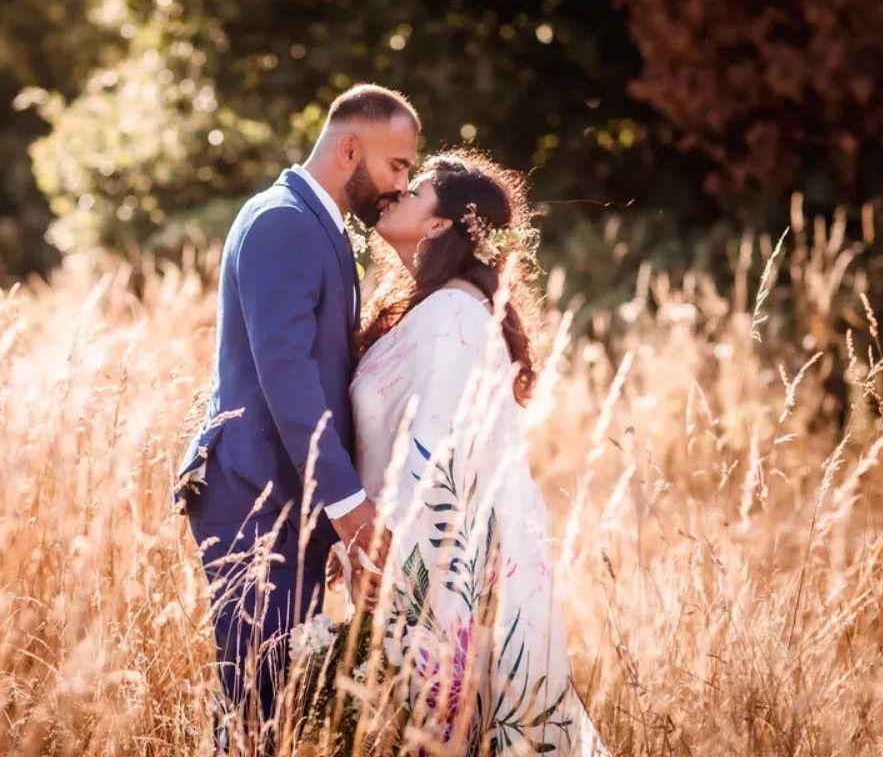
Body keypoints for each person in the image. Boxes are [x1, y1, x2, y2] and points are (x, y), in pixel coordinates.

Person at [340, 150, 609, 754]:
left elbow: (438, 470)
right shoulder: (434, 306)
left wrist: (381, 554)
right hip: (413, 556)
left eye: (414, 192)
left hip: (440, 568)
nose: (396, 192)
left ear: (438, 226)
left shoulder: (452, 316)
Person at [173, 84, 418, 728]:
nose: (401, 185)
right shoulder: (280, 221)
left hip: (292, 499)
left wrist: (330, 518)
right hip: (254, 497)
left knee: (284, 709)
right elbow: (288, 379)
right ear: (348, 149)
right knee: (257, 708)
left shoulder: (321, 228)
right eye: (397, 166)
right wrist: (348, 507)